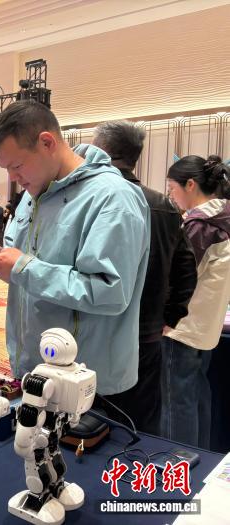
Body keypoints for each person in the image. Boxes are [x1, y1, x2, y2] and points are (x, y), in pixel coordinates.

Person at [0, 100, 150, 397]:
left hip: (86, 381)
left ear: (47, 142)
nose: (13, 178)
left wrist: (23, 268)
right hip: (34, 367)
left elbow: (109, 292)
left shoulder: (112, 197)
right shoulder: (33, 193)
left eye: (16, 166)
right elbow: (27, 263)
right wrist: (5, 262)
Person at [92, 120, 197, 434]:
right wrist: (171, 315)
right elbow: (185, 269)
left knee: (90, 420)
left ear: (100, 151)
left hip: (96, 331)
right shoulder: (164, 205)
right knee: (140, 421)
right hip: (147, 331)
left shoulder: (92, 198)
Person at [161, 155, 230, 447]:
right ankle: (198, 458)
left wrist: (163, 316)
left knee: (177, 402)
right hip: (206, 327)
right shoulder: (222, 218)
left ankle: (178, 459)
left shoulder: (199, 224)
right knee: (198, 395)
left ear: (190, 184)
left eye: (172, 189)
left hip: (182, 328)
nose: (171, 196)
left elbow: (181, 278)